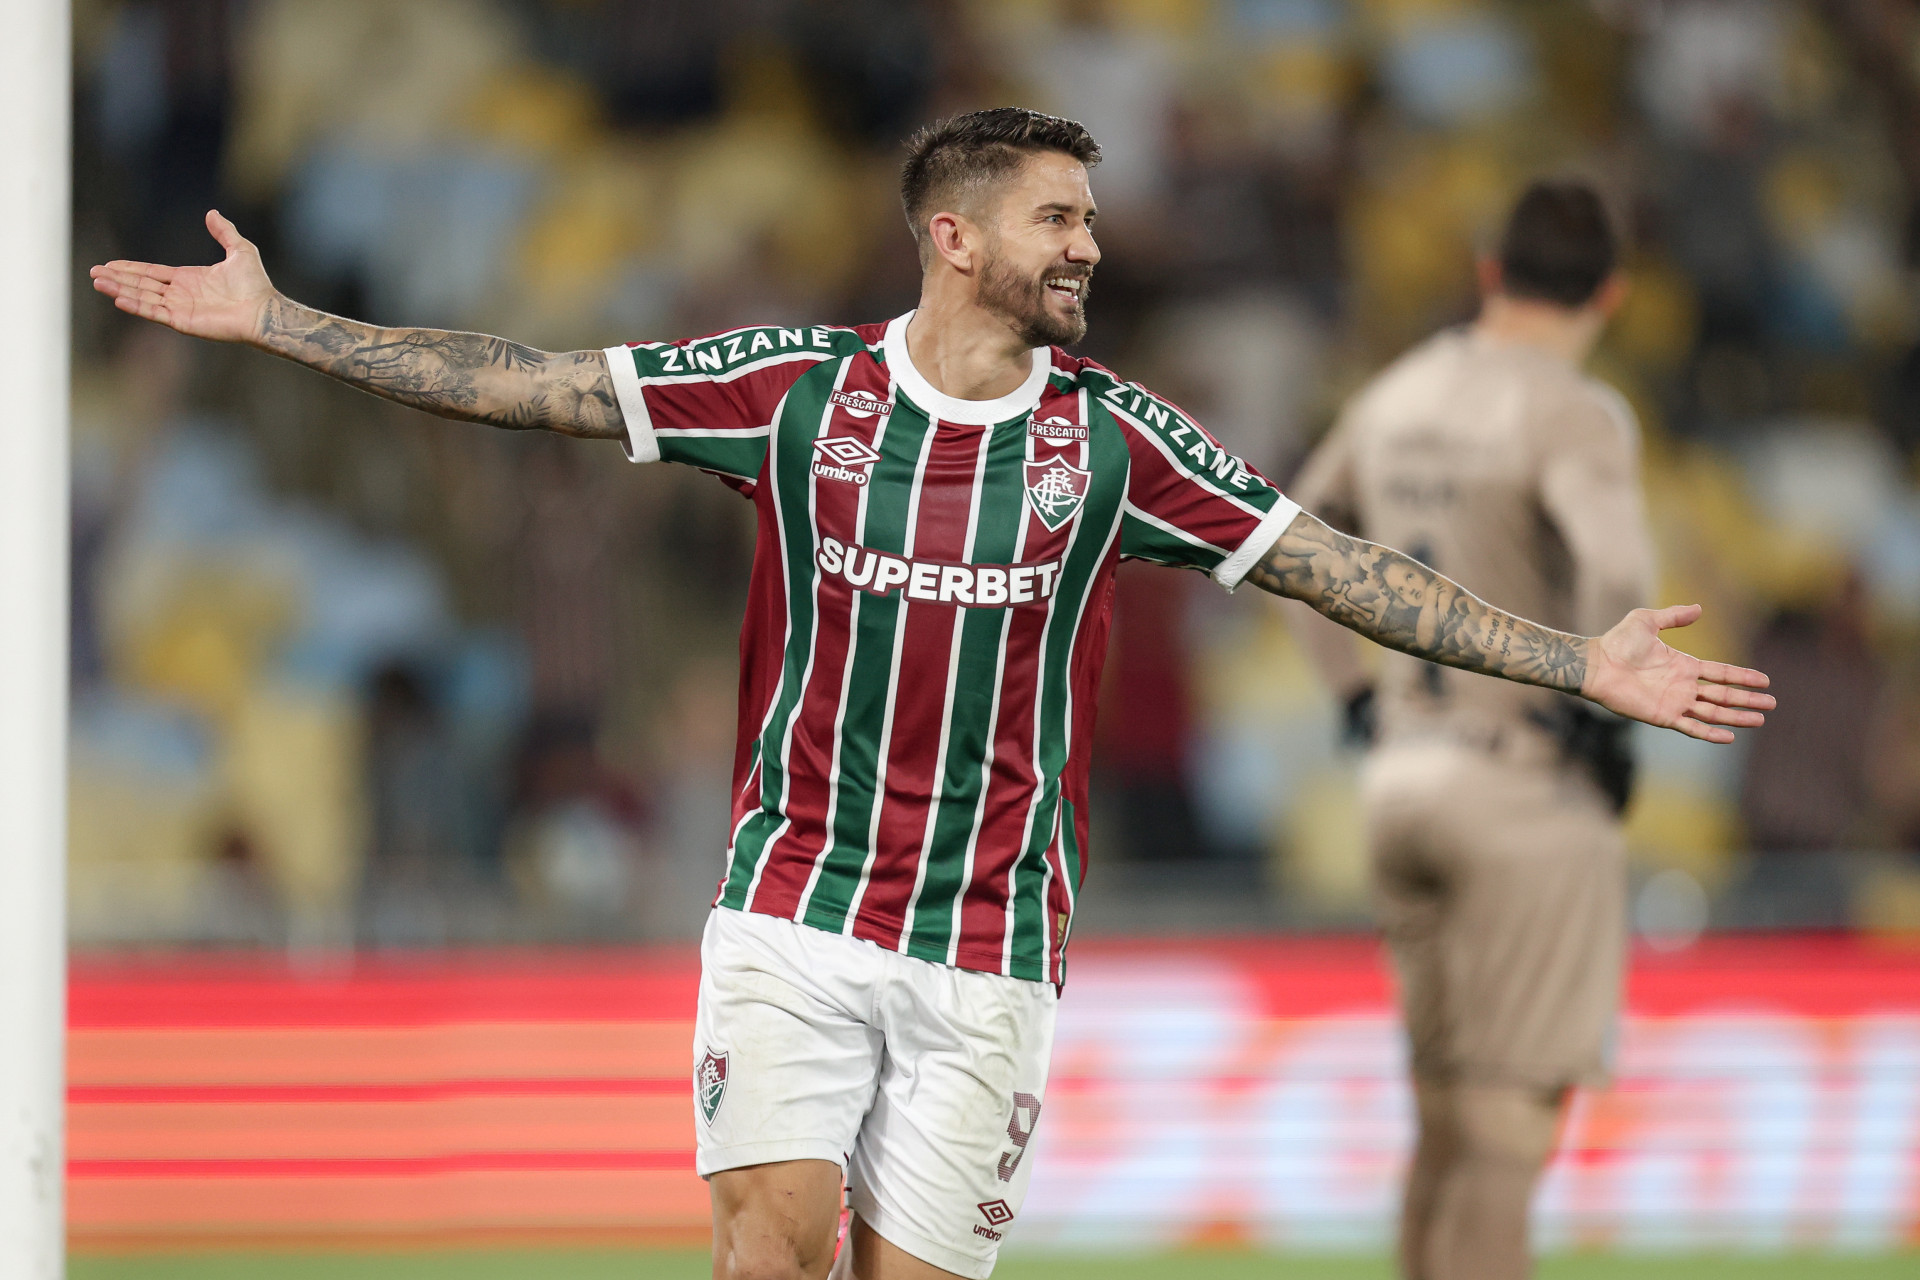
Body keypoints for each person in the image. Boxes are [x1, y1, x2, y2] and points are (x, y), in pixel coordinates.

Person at [92, 112, 1771, 1280]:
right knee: (770, 1250)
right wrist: (288, 324)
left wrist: (1582, 663)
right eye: (1059, 219)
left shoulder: (1115, 438)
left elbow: (1340, 566)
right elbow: (528, 385)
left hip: (989, 948)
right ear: (954, 238)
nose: (1090, 247)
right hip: (793, 910)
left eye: (1091, 222)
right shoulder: (793, 391)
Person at [1286, 179, 1663, 1280]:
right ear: (1614, 292)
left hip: (1404, 775)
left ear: (1492, 272)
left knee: (1446, 1124)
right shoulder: (1572, 410)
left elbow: (1298, 548)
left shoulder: (1394, 394)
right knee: (1506, 1138)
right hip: (1522, 786)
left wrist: (1356, 699)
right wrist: (1608, 714)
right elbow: (1619, 565)